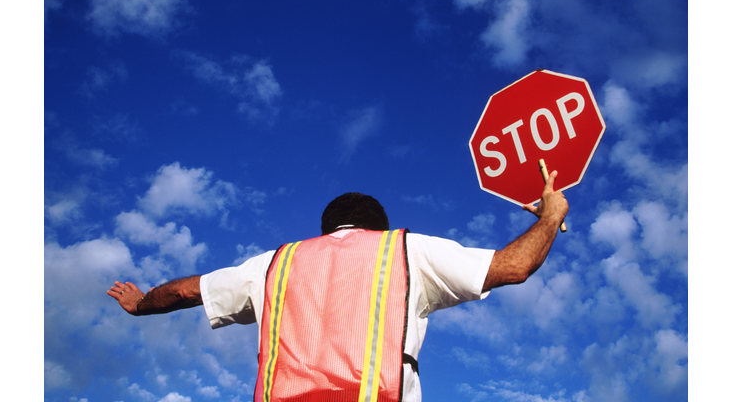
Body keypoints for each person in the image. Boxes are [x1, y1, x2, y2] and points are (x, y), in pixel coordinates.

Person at [108, 171, 569, 402]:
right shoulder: (404, 251)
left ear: (326, 228)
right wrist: (551, 215)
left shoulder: (276, 264)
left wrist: (140, 304)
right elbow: (513, 266)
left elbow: (187, 291)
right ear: (380, 227)